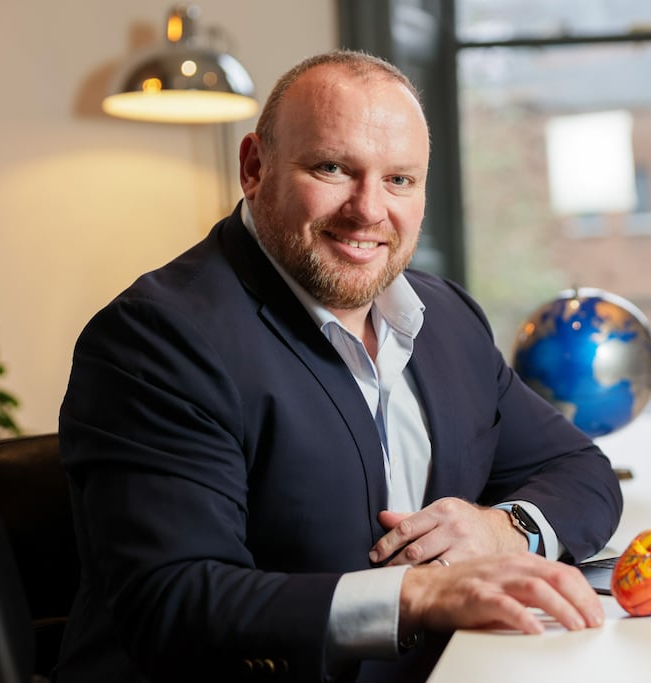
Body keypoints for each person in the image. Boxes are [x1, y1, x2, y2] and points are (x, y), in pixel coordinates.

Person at [56, 49, 622, 682]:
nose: (368, 209)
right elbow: (175, 599)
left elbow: (583, 473)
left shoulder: (447, 317)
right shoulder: (156, 338)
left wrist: (506, 529)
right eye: (332, 168)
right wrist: (418, 595)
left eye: (399, 180)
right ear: (254, 168)